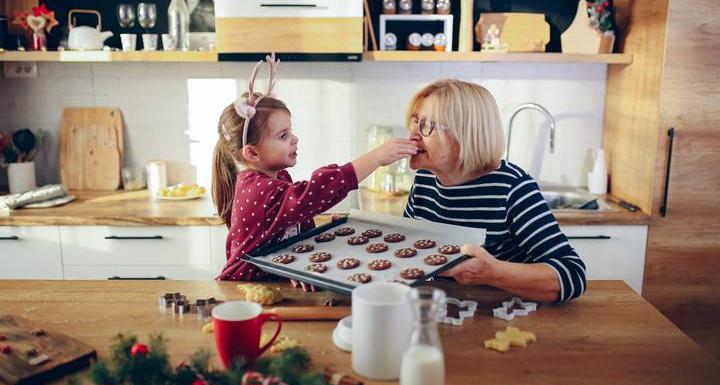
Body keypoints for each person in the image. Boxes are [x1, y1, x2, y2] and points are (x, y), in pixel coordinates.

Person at [213, 54, 418, 283]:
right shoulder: (259, 191)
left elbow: (287, 228)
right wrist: (376, 158)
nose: (295, 139)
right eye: (283, 136)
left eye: (290, 131)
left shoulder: (278, 177)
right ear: (252, 153)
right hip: (243, 289)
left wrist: (298, 260)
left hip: (271, 282)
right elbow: (315, 193)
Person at [403, 79, 586, 302]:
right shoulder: (425, 180)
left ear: (465, 134)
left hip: (505, 316)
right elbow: (410, 252)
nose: (412, 135)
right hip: (447, 311)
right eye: (414, 121)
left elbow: (573, 275)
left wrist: (493, 273)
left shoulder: (512, 187)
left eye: (426, 125)